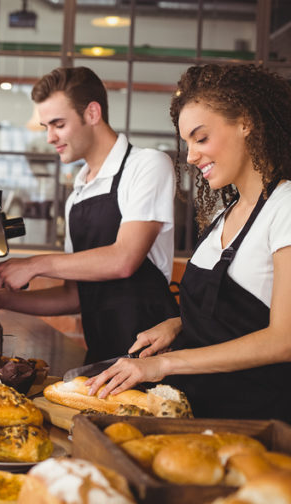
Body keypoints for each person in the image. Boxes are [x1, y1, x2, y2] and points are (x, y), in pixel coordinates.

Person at [86, 64, 291, 423]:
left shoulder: (285, 206)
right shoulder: (223, 216)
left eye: (201, 138)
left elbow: (282, 339)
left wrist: (163, 364)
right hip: (199, 415)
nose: (191, 156)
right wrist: (179, 324)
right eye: (187, 143)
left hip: (257, 425)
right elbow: (236, 314)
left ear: (246, 122)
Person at [0, 67, 179, 364]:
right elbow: (75, 296)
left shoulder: (147, 166)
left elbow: (124, 259)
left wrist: (35, 265)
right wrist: (3, 300)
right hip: (100, 358)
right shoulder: (77, 195)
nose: (49, 137)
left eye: (58, 124)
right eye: (45, 126)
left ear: (91, 113)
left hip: (151, 359)